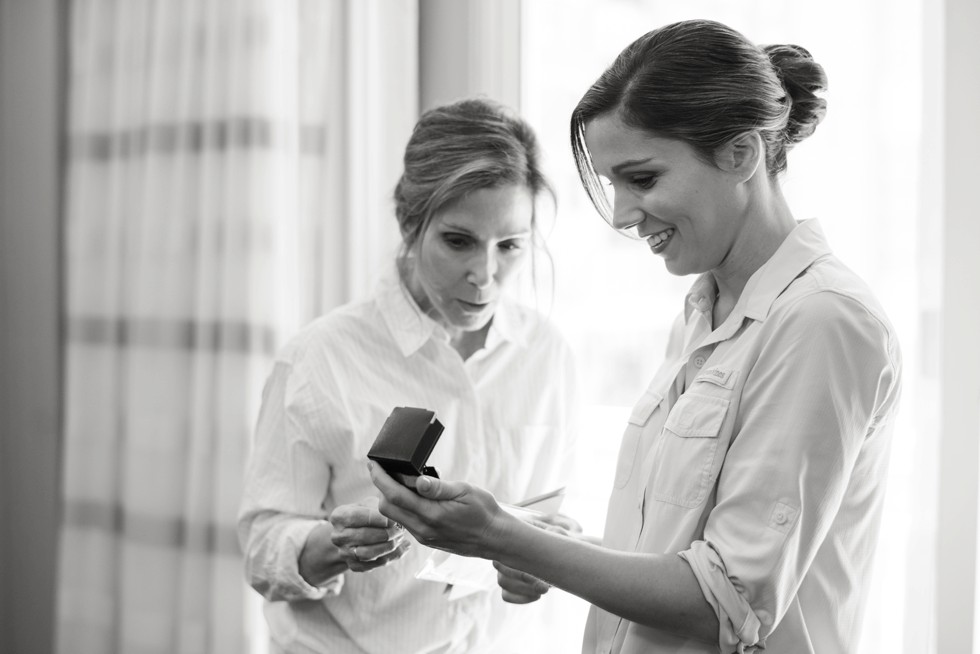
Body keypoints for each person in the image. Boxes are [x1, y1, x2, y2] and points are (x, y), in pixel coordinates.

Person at [370, 19, 902, 654]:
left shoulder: (823, 322)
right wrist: (535, 542)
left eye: (642, 179)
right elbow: (671, 556)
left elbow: (723, 602)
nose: (621, 214)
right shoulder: (703, 314)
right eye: (613, 184)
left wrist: (498, 536)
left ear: (741, 154)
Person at [237, 97, 579, 654]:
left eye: (510, 246)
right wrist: (332, 543)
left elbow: (548, 518)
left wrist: (544, 559)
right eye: (458, 240)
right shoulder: (318, 359)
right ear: (409, 222)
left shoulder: (548, 355)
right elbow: (261, 549)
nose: (485, 276)